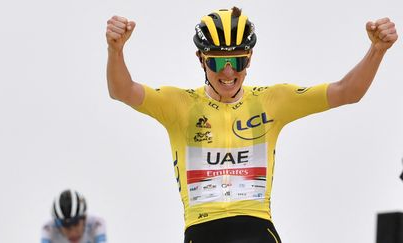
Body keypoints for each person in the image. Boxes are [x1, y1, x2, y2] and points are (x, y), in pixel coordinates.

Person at [105, 6, 398, 243]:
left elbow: (347, 92)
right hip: (202, 227)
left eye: (238, 61)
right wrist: (115, 50)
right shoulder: (179, 104)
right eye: (218, 63)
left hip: (256, 226)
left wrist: (377, 50)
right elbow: (122, 90)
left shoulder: (273, 100)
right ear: (201, 59)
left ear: (250, 58)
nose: (229, 72)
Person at [41, 189, 107, 243]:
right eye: (66, 226)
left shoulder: (96, 224)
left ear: (84, 219)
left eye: (76, 223)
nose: (73, 232)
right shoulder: (48, 228)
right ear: (57, 225)